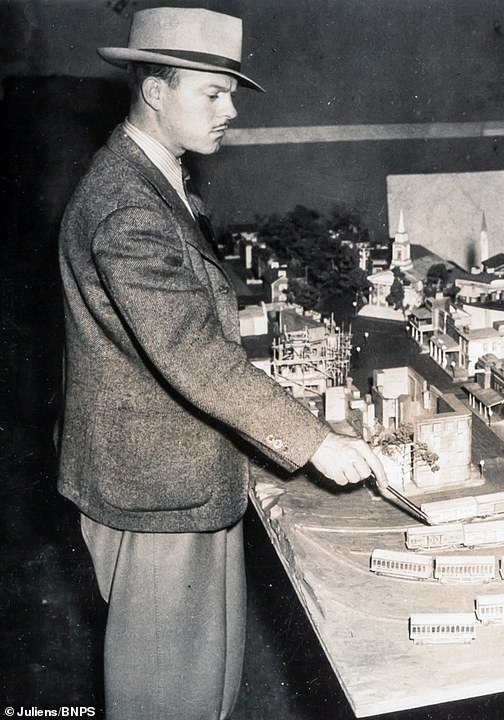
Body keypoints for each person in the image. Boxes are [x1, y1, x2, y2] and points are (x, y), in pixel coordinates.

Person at [57, 8, 386, 719]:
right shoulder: (126, 208)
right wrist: (316, 440)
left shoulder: (157, 178)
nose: (230, 109)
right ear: (154, 91)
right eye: (212, 93)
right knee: (166, 699)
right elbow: (194, 357)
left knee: (204, 684)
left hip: (178, 471)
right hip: (155, 489)